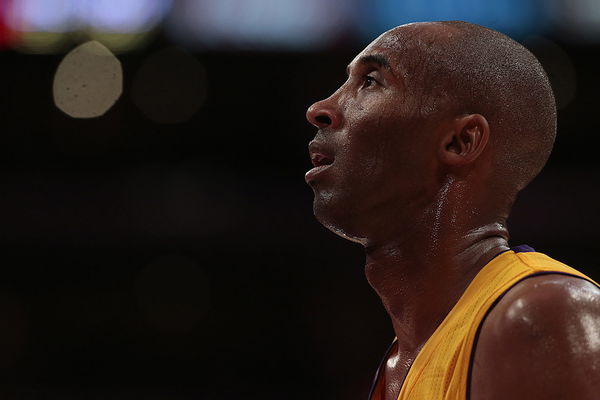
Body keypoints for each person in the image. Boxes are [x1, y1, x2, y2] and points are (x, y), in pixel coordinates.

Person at [304, 21, 600, 400]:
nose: (319, 109)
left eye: (371, 81)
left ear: (460, 142)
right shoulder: (401, 362)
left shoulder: (541, 313)